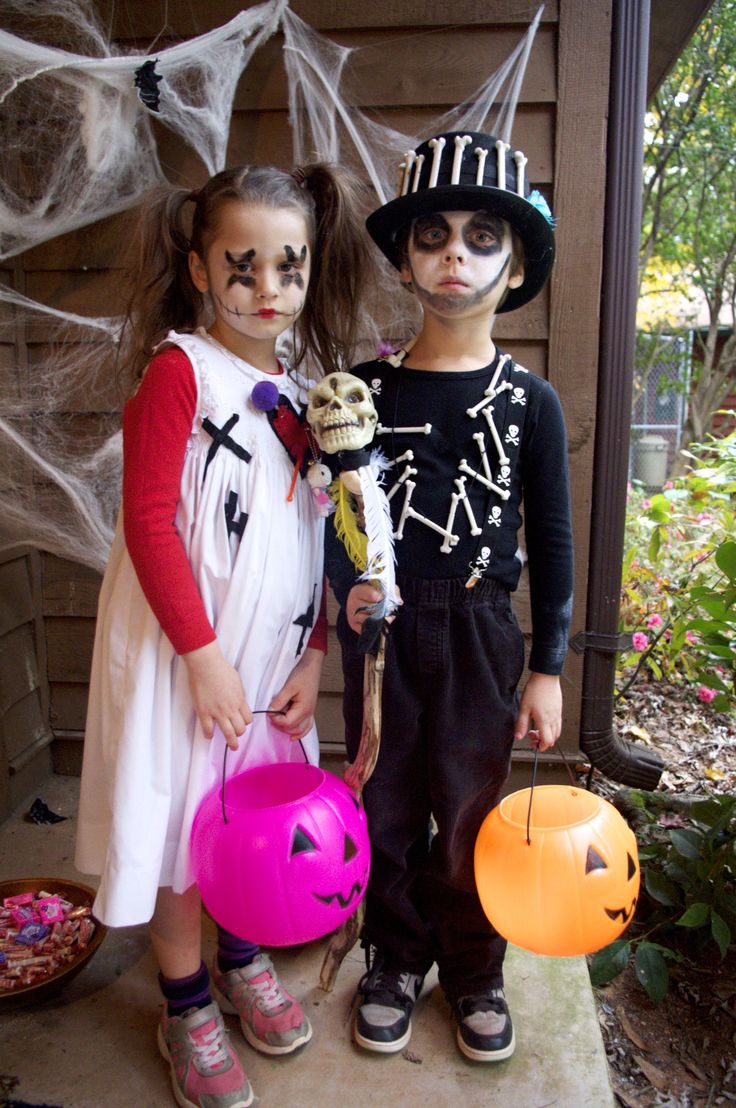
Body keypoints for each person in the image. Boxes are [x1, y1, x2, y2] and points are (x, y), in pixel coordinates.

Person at [75, 163, 371, 1108]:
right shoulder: (179, 374)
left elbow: (325, 528)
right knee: (182, 833)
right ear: (200, 270)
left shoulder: (304, 391)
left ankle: (241, 959)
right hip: (184, 659)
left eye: (289, 268)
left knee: (249, 818)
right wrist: (201, 660)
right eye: (243, 269)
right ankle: (186, 1003)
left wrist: (317, 651)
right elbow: (150, 522)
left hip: (269, 660)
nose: (269, 291)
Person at [325, 131, 574, 1063]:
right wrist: (338, 606)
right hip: (382, 633)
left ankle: (473, 963)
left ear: (514, 267)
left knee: (471, 807)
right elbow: (338, 519)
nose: (454, 255)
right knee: (385, 800)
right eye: (432, 234)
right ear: (403, 256)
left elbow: (549, 542)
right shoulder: (362, 393)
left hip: (480, 631)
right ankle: (394, 955)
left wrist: (546, 668)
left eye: (481, 237)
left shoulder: (529, 402)